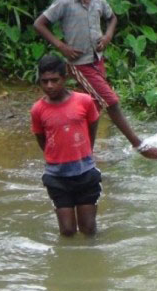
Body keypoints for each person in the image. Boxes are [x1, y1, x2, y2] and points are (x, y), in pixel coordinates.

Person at [33, 0, 157, 160]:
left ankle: (85, 154)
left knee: (93, 108)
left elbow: (112, 18)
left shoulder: (98, 0)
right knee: (111, 101)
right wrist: (61, 46)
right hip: (79, 63)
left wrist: (108, 36)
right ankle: (138, 144)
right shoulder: (64, 2)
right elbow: (39, 24)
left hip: (96, 60)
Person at [31, 54, 103, 236]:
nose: (49, 86)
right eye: (44, 81)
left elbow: (92, 125)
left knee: (88, 228)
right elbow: (42, 138)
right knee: (68, 230)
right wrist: (56, 155)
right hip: (57, 177)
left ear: (65, 78)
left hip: (85, 173)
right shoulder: (38, 110)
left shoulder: (84, 101)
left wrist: (85, 150)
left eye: (54, 80)